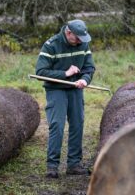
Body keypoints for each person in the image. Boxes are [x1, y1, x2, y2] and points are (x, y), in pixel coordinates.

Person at [35, 19, 95, 178]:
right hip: (56, 90)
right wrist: (65, 74)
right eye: (77, 38)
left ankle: (74, 164)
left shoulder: (83, 43)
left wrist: (85, 79)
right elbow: (40, 72)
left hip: (76, 89)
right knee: (57, 125)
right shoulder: (51, 45)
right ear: (68, 33)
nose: (80, 42)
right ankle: (52, 166)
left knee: (77, 124)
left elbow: (89, 68)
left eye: (82, 39)